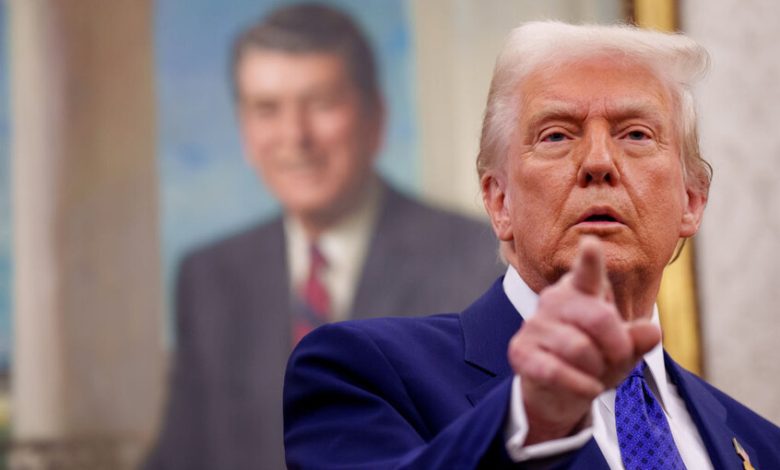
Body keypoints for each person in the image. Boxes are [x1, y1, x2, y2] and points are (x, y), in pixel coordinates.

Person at [283, 21, 780, 469]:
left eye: (635, 134)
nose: (599, 162)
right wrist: (528, 422)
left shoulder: (763, 445)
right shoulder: (363, 372)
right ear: (499, 201)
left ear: (691, 201)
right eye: (557, 136)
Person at [145, 3, 502, 469]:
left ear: (375, 118)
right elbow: (181, 456)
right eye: (267, 109)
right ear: (244, 129)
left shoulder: (475, 255)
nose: (295, 136)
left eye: (321, 104)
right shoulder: (209, 277)